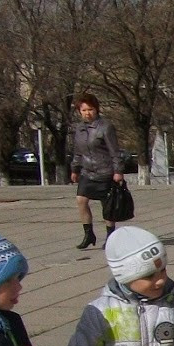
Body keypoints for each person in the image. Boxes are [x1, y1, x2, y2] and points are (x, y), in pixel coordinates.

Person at [69, 93, 124, 251]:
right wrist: (75, 169)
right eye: (84, 110)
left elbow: (115, 151)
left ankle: (110, 237)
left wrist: (118, 171)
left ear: (97, 109)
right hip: (87, 171)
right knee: (81, 200)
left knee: (107, 206)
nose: (87, 113)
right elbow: (78, 152)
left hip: (105, 171)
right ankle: (88, 234)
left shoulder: (105, 127)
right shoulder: (79, 129)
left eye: (90, 109)